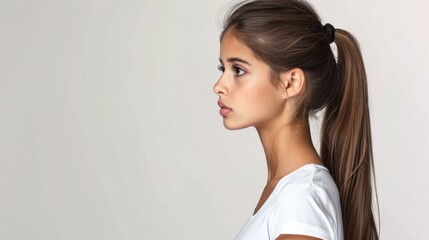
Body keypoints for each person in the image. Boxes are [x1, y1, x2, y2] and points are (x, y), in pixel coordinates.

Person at [213, 0, 379, 240]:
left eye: (238, 70)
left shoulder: (302, 198)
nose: (218, 86)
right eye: (222, 69)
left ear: (291, 83)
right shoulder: (291, 192)